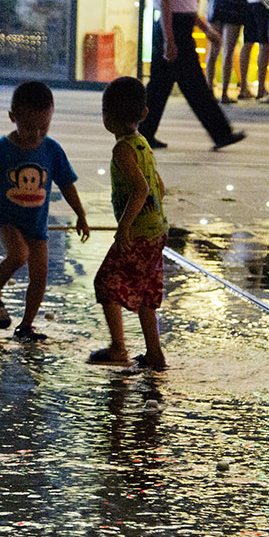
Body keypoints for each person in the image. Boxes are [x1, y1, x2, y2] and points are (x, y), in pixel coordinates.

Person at [0, 80, 90, 342]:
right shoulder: (0, 150)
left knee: (40, 275)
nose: (36, 134)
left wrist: (81, 214)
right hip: (5, 218)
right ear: (12, 117)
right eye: (29, 127)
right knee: (19, 254)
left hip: (36, 223)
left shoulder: (52, 150)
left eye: (44, 127)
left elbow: (67, 184)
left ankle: (26, 326)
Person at [140, 0, 245, 150]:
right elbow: (167, 3)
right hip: (174, 31)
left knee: (160, 88)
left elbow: (183, 5)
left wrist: (206, 28)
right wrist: (170, 41)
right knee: (192, 87)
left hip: (177, 28)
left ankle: (144, 133)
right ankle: (221, 133)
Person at [87, 76, 168, 372]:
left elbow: (141, 188)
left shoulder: (122, 150)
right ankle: (154, 353)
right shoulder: (143, 143)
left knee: (106, 283)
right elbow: (158, 184)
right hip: (157, 230)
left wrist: (124, 226)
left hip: (138, 234)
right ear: (144, 114)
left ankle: (119, 348)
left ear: (106, 117)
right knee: (146, 294)